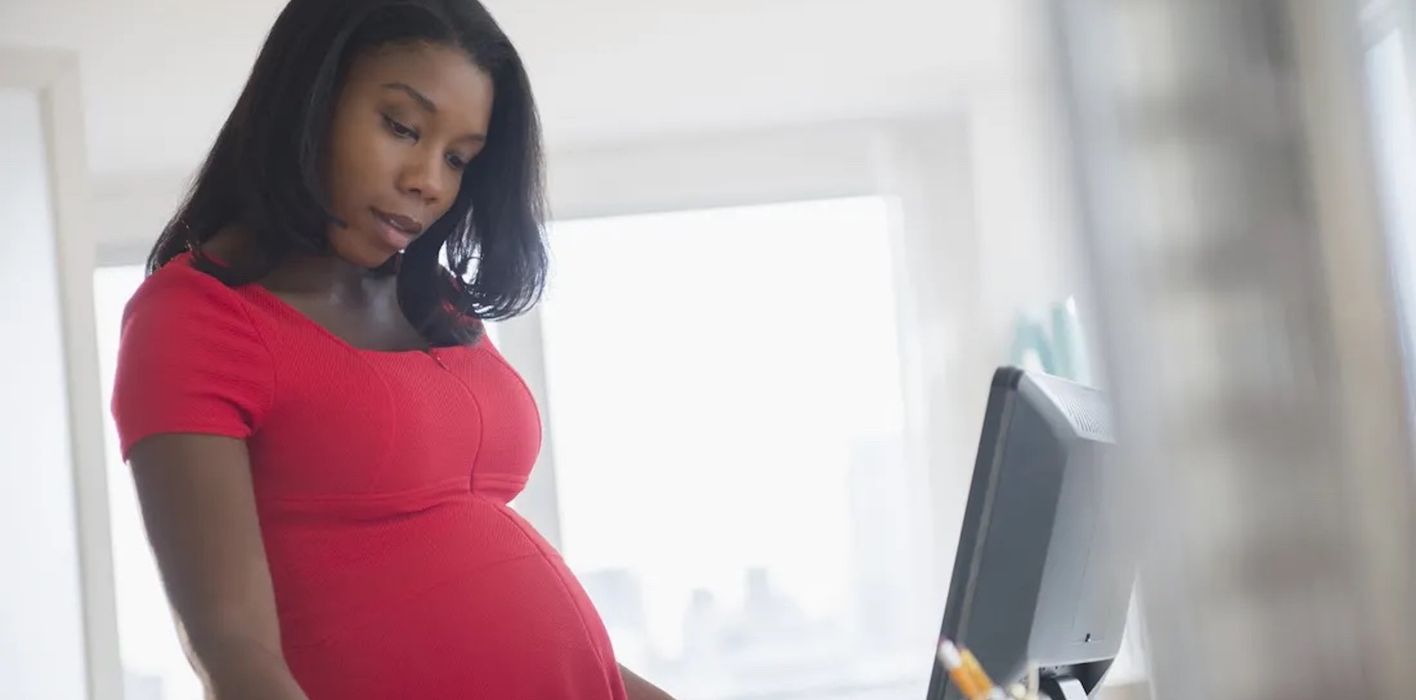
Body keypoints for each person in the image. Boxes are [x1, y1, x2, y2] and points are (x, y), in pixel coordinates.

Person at [110, 1, 674, 697]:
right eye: (402, 127)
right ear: (308, 97)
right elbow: (233, 649)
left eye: (459, 158)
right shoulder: (196, 316)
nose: (429, 182)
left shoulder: (437, 305)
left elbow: (491, 599)